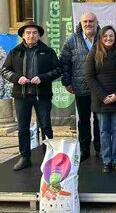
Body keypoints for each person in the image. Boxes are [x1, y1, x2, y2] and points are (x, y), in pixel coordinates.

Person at [1, 21, 61, 171]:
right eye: (28, 33)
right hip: (21, 96)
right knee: (23, 128)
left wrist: (43, 77)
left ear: (39, 35)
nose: (31, 35)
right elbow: (4, 70)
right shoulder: (15, 52)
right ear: (22, 35)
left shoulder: (48, 51)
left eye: (34, 33)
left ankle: (49, 157)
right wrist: (17, 78)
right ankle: (25, 157)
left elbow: (58, 70)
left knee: (46, 127)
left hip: (42, 96)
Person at [85, 25, 116, 173]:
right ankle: (107, 161)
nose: (108, 38)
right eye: (105, 36)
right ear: (101, 38)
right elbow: (89, 78)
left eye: (111, 36)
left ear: (115, 37)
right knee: (104, 131)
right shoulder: (93, 54)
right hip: (100, 100)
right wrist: (103, 96)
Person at [60, 12, 101, 161]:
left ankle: (99, 148)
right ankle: (84, 150)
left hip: (100, 88)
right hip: (80, 86)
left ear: (97, 22)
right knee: (83, 120)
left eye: (91, 21)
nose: (88, 24)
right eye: (85, 21)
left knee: (99, 119)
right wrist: (66, 82)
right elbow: (64, 62)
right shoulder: (72, 40)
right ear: (81, 23)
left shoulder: (104, 37)